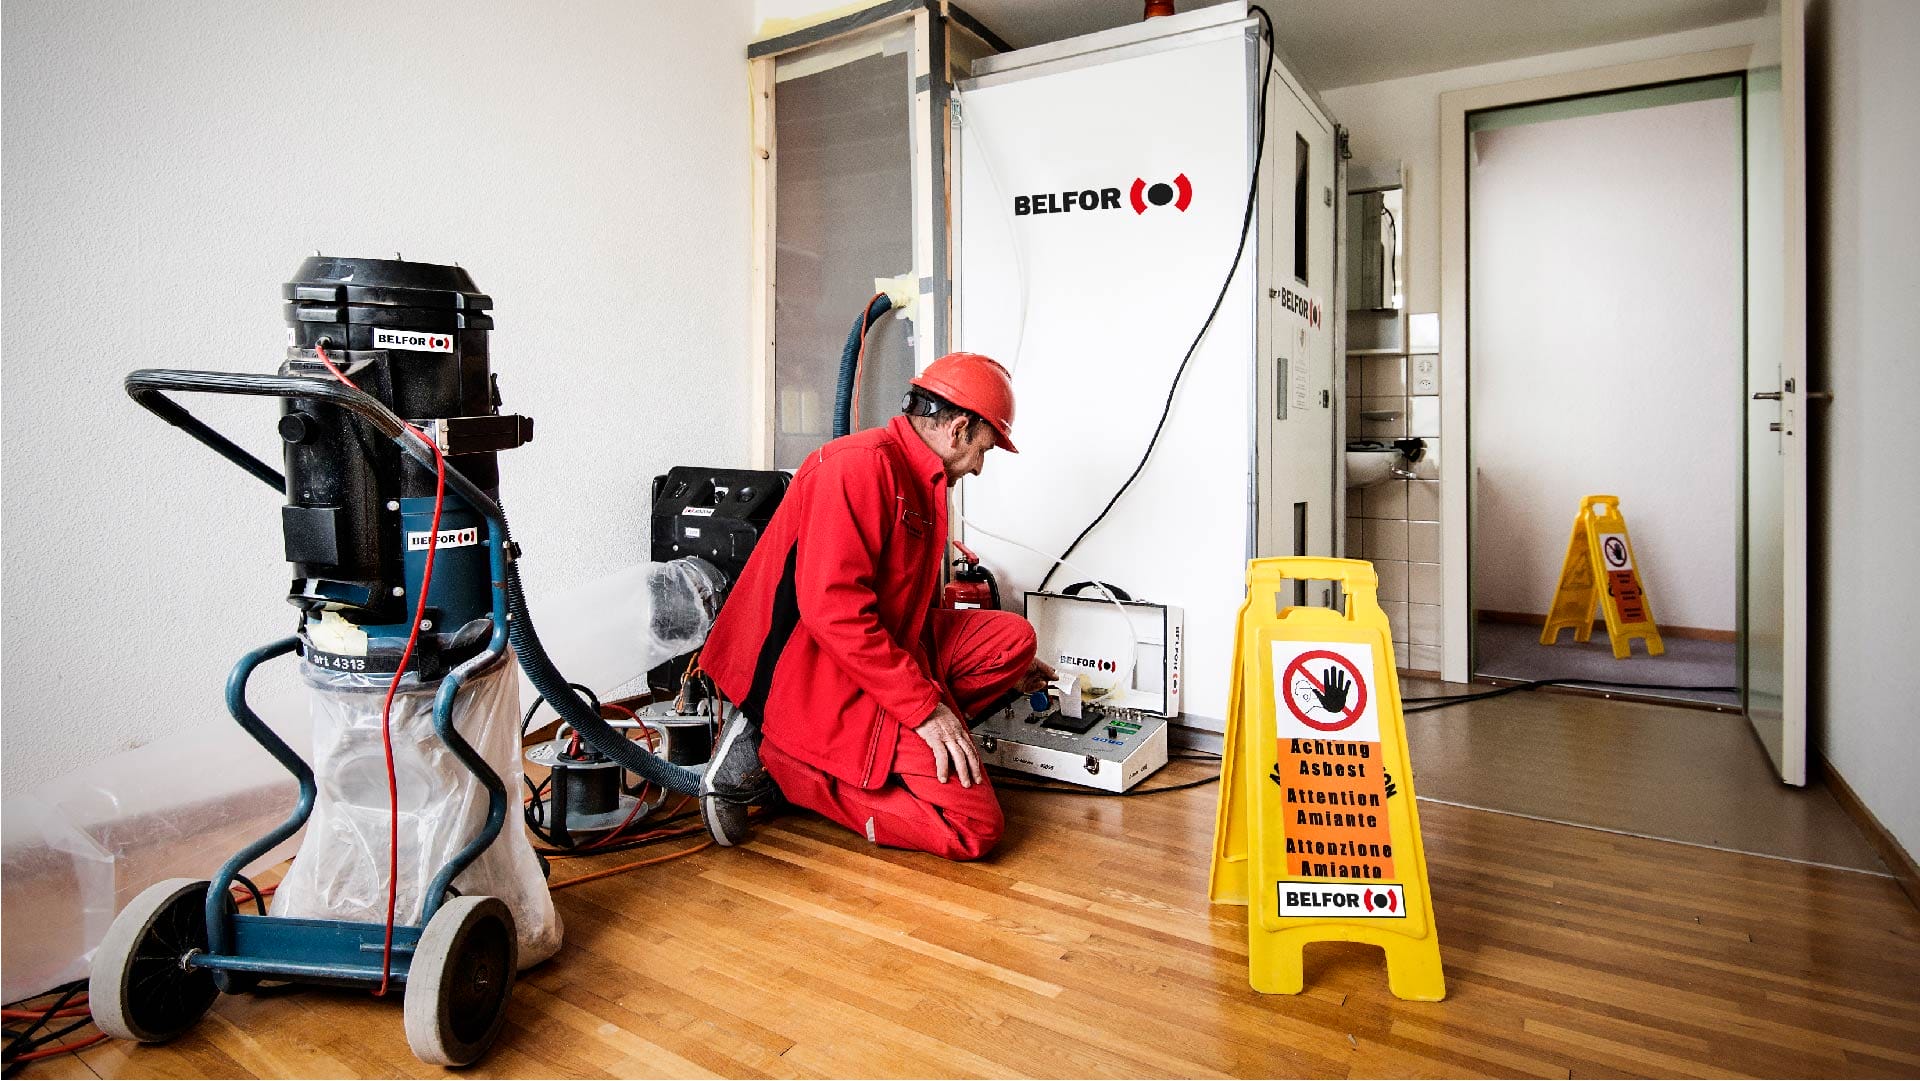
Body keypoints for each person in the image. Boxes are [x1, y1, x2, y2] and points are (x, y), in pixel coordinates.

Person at [696, 352, 1055, 859]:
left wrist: (1000, 677)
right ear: (957, 430)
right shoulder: (858, 469)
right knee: (973, 828)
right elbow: (834, 613)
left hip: (883, 644)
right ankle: (786, 761)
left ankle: (893, 752)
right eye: (984, 449)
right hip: (813, 669)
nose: (978, 466)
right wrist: (925, 708)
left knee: (1013, 642)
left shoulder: (920, 477)